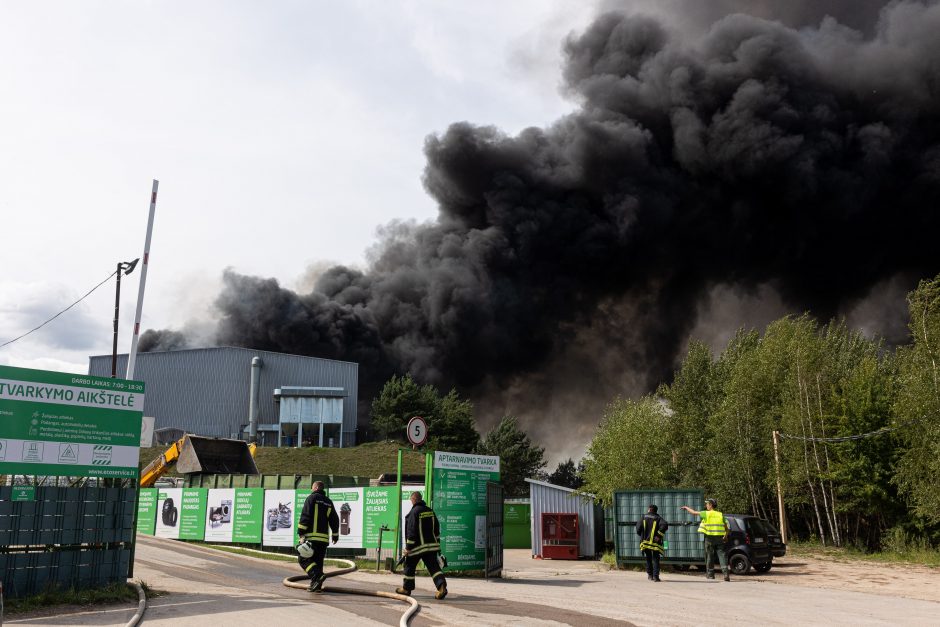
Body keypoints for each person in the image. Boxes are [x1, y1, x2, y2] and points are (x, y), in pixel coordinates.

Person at [396, 491, 447, 599]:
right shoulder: (430, 511)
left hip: (417, 547)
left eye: (411, 500)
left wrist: (408, 548)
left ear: (413, 500)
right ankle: (442, 586)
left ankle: (406, 589)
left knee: (409, 565)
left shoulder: (414, 512)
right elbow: (437, 529)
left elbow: (411, 531)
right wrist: (438, 545)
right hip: (432, 546)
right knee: (434, 567)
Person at [296, 480, 339, 592]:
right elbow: (334, 519)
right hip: (323, 539)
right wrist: (335, 535)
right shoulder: (328, 502)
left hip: (311, 538)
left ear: (314, 488)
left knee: (303, 559)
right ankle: (317, 586)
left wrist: (301, 531)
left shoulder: (311, 498)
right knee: (318, 562)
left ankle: (317, 576)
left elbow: (306, 515)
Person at [680, 498, 730, 581]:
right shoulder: (720, 514)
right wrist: (726, 536)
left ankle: (710, 575)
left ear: (710, 505)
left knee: (709, 556)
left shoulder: (706, 513)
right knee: (722, 556)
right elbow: (727, 527)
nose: (706, 505)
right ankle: (725, 574)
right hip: (720, 538)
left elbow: (694, 512)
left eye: (707, 504)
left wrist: (686, 507)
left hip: (709, 538)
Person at [635, 504, 668, 582]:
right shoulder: (658, 518)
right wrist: (658, 536)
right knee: (656, 559)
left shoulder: (643, 517)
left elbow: (638, 528)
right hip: (655, 544)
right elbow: (665, 525)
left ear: (649, 509)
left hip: (645, 542)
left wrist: (642, 536)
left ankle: (650, 575)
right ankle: (656, 577)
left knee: (648, 558)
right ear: (656, 511)